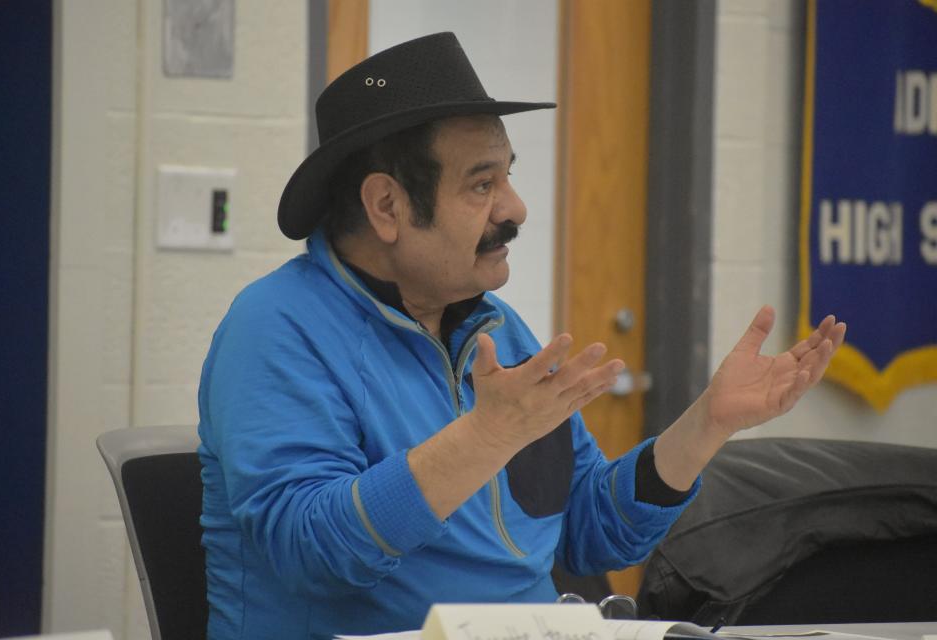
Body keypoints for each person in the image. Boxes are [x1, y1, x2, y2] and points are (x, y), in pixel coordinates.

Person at [196, 33, 845, 640]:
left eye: (508, 174)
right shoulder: (275, 327)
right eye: (482, 183)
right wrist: (482, 439)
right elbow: (312, 554)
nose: (515, 207)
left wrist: (708, 422)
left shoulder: (497, 330)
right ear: (387, 207)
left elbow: (589, 533)